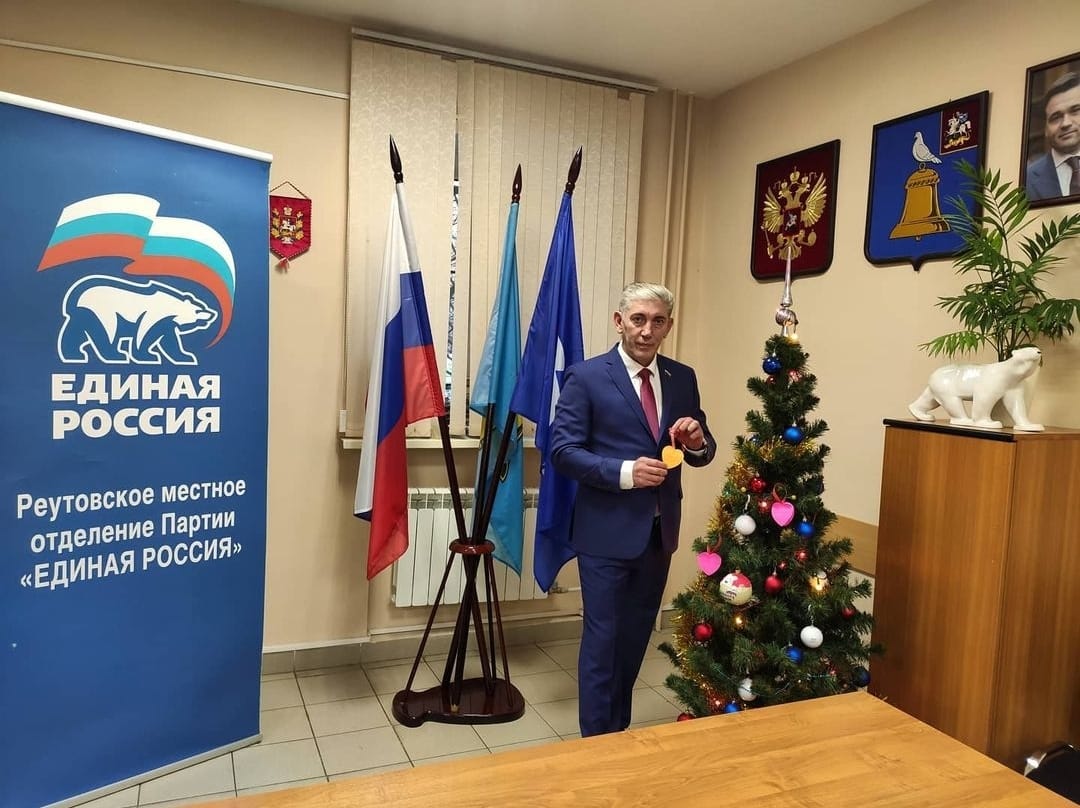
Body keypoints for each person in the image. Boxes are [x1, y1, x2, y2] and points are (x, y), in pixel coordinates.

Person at [550, 281, 716, 737]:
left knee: (634, 638)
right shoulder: (586, 377)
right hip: (605, 533)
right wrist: (625, 472)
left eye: (657, 321)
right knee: (602, 642)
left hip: (659, 535)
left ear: (669, 326)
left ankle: (616, 733)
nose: (647, 330)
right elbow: (562, 451)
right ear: (619, 321)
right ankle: (596, 744)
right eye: (638, 319)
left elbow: (702, 447)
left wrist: (697, 442)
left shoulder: (682, 378)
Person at [1026, 71, 1080, 201]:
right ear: (1045, 129)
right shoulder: (1027, 179)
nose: (1065, 123)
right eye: (1056, 117)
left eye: (1075, 110)